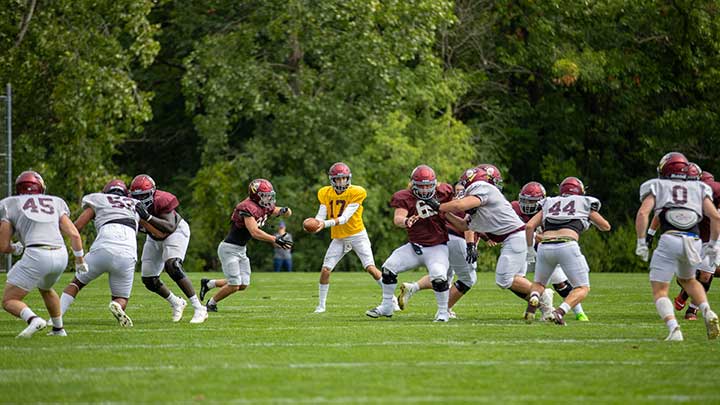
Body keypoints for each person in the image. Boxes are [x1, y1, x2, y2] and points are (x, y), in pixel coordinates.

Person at [431, 165, 553, 319]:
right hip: (514, 238)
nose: (463, 187)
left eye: (465, 183)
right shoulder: (480, 203)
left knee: (504, 279)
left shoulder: (482, 188)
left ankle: (542, 294)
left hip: (515, 237)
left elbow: (459, 205)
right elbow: (463, 225)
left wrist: (437, 206)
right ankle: (544, 306)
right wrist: (442, 212)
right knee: (513, 280)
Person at [636, 152, 720, 341]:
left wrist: (642, 241)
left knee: (660, 290)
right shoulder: (699, 188)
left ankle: (674, 329)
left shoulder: (657, 185)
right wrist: (713, 243)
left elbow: (643, 213)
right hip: (694, 240)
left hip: (670, 238)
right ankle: (707, 311)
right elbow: (716, 216)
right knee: (689, 280)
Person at [0, 171, 87, 338]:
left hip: (37, 253)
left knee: (9, 300)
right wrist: (79, 260)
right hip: (61, 254)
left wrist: (15, 248)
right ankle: (58, 329)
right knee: (46, 288)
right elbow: (75, 234)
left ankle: (33, 319)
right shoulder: (55, 202)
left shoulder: (10, 204)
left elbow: (3, 245)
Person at [366, 164, 454, 322]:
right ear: (413, 185)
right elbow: (398, 219)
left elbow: (458, 206)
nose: (426, 189)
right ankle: (387, 306)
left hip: (437, 247)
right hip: (415, 247)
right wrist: (406, 221)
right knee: (388, 267)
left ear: (435, 184)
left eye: (429, 185)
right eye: (421, 186)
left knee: (439, 275)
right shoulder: (405, 196)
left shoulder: (444, 192)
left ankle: (443, 312)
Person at [310, 162, 398, 313]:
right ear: (332, 180)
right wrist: (316, 223)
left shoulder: (357, 192)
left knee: (370, 268)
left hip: (357, 234)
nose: (341, 182)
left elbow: (344, 218)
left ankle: (393, 298)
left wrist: (322, 224)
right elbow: (321, 214)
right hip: (339, 237)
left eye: (344, 178)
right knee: (325, 270)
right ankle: (321, 306)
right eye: (338, 179)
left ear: (348, 178)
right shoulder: (325, 192)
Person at [524, 177, 611, 325]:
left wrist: (530, 250)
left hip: (545, 246)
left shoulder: (549, 202)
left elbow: (529, 226)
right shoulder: (583, 203)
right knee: (582, 288)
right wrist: (587, 219)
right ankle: (559, 312)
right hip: (567, 244)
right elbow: (605, 226)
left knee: (539, 283)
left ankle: (533, 298)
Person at [199, 179, 293, 311]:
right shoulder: (246, 207)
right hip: (229, 249)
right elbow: (254, 232)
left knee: (243, 284)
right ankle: (210, 304)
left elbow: (276, 210)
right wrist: (275, 239)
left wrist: (285, 210)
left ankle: (209, 283)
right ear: (255, 195)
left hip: (241, 250)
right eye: (265, 195)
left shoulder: (262, 204)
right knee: (234, 285)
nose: (268, 198)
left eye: (269, 195)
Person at [56, 179, 140, 327]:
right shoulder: (134, 204)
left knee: (77, 283)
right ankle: (117, 306)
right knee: (121, 297)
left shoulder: (99, 199)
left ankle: (56, 317)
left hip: (104, 246)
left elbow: (77, 227)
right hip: (128, 251)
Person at [130, 174, 207, 324]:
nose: (140, 200)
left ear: (153, 192)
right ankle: (176, 302)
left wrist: (148, 217)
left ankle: (199, 308)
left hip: (175, 232)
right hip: (153, 237)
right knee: (148, 279)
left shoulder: (161, 200)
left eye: (144, 196)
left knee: (172, 265)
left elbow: (170, 227)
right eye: (137, 196)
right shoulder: (128, 203)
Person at [396, 182, 478, 319]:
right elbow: (469, 224)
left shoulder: (446, 201)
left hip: (443, 238)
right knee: (468, 279)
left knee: (443, 276)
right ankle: (445, 309)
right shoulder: (466, 202)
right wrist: (471, 244)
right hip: (458, 239)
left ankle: (413, 288)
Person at [513, 181, 588, 322]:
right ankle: (543, 308)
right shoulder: (514, 208)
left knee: (559, 280)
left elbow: (548, 234)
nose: (528, 204)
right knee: (511, 279)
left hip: (543, 251)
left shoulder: (549, 208)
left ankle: (579, 312)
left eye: (532, 201)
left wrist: (536, 237)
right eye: (525, 200)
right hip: (522, 251)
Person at [664, 166, 719, 320]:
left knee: (706, 275)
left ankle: (692, 309)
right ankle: (684, 292)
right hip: (693, 239)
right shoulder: (685, 197)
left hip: (713, 240)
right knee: (687, 276)